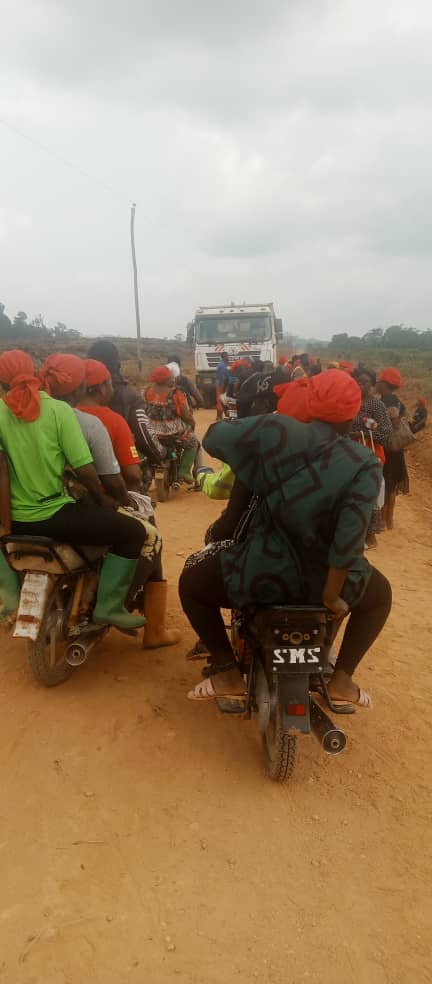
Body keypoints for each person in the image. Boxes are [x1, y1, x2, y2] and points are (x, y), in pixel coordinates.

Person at [179, 370, 391, 707]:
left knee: (191, 584)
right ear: (354, 413)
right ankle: (342, 681)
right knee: (380, 597)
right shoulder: (364, 462)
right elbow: (349, 541)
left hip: (263, 573)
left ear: (310, 401)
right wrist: (332, 597)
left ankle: (226, 671)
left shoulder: (275, 430)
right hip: (326, 584)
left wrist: (261, 441)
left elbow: (215, 438)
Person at [39, 354, 180, 649]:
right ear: (99, 387)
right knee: (152, 541)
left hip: (58, 504)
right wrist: (126, 497)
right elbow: (128, 473)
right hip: (100, 502)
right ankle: (152, 628)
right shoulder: (107, 421)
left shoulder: (42, 416)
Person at [0, 350, 148, 630]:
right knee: (134, 532)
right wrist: (103, 499)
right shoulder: (59, 411)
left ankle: (8, 596)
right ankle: (108, 606)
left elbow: (1, 473)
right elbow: (86, 471)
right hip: (55, 515)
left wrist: (5, 525)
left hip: (16, 521)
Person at [40, 353, 129, 506]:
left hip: (30, 504)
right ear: (77, 389)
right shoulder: (90, 423)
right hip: (70, 506)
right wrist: (124, 504)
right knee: (138, 528)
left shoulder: (25, 413)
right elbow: (110, 480)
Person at [87, 339, 164, 467]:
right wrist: (162, 453)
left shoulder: (77, 396)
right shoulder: (130, 397)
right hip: (121, 471)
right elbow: (145, 440)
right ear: (118, 364)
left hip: (85, 468)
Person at [77, 360, 144, 491]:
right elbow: (133, 475)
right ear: (102, 388)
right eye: (110, 385)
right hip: (108, 499)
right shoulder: (114, 421)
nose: (112, 390)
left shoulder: (62, 414)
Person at [351, 368, 392, 546]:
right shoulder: (350, 402)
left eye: (365, 382)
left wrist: (363, 435)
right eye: (357, 382)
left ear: (373, 385)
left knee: (370, 494)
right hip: (351, 454)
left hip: (371, 455)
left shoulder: (377, 406)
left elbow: (386, 434)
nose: (360, 385)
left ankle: (370, 536)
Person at [143, 366, 199, 484]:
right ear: (166, 379)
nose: (172, 379)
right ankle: (184, 471)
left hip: (152, 432)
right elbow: (186, 415)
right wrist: (192, 424)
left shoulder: (147, 391)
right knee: (193, 442)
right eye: (170, 377)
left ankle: (145, 472)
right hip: (174, 433)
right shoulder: (176, 393)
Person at [376, 368, 409, 529]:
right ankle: (389, 520)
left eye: (378, 381)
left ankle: (382, 520)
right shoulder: (397, 400)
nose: (376, 384)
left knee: (385, 483)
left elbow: (391, 422)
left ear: (385, 384)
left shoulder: (385, 402)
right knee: (392, 486)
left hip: (387, 449)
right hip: (397, 450)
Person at [215, 352, 230, 420]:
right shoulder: (222, 365)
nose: (228, 357)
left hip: (221, 383)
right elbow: (222, 376)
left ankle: (219, 416)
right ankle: (219, 416)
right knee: (220, 399)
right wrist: (223, 385)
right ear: (224, 357)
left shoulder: (221, 364)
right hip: (221, 384)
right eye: (227, 356)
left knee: (220, 399)